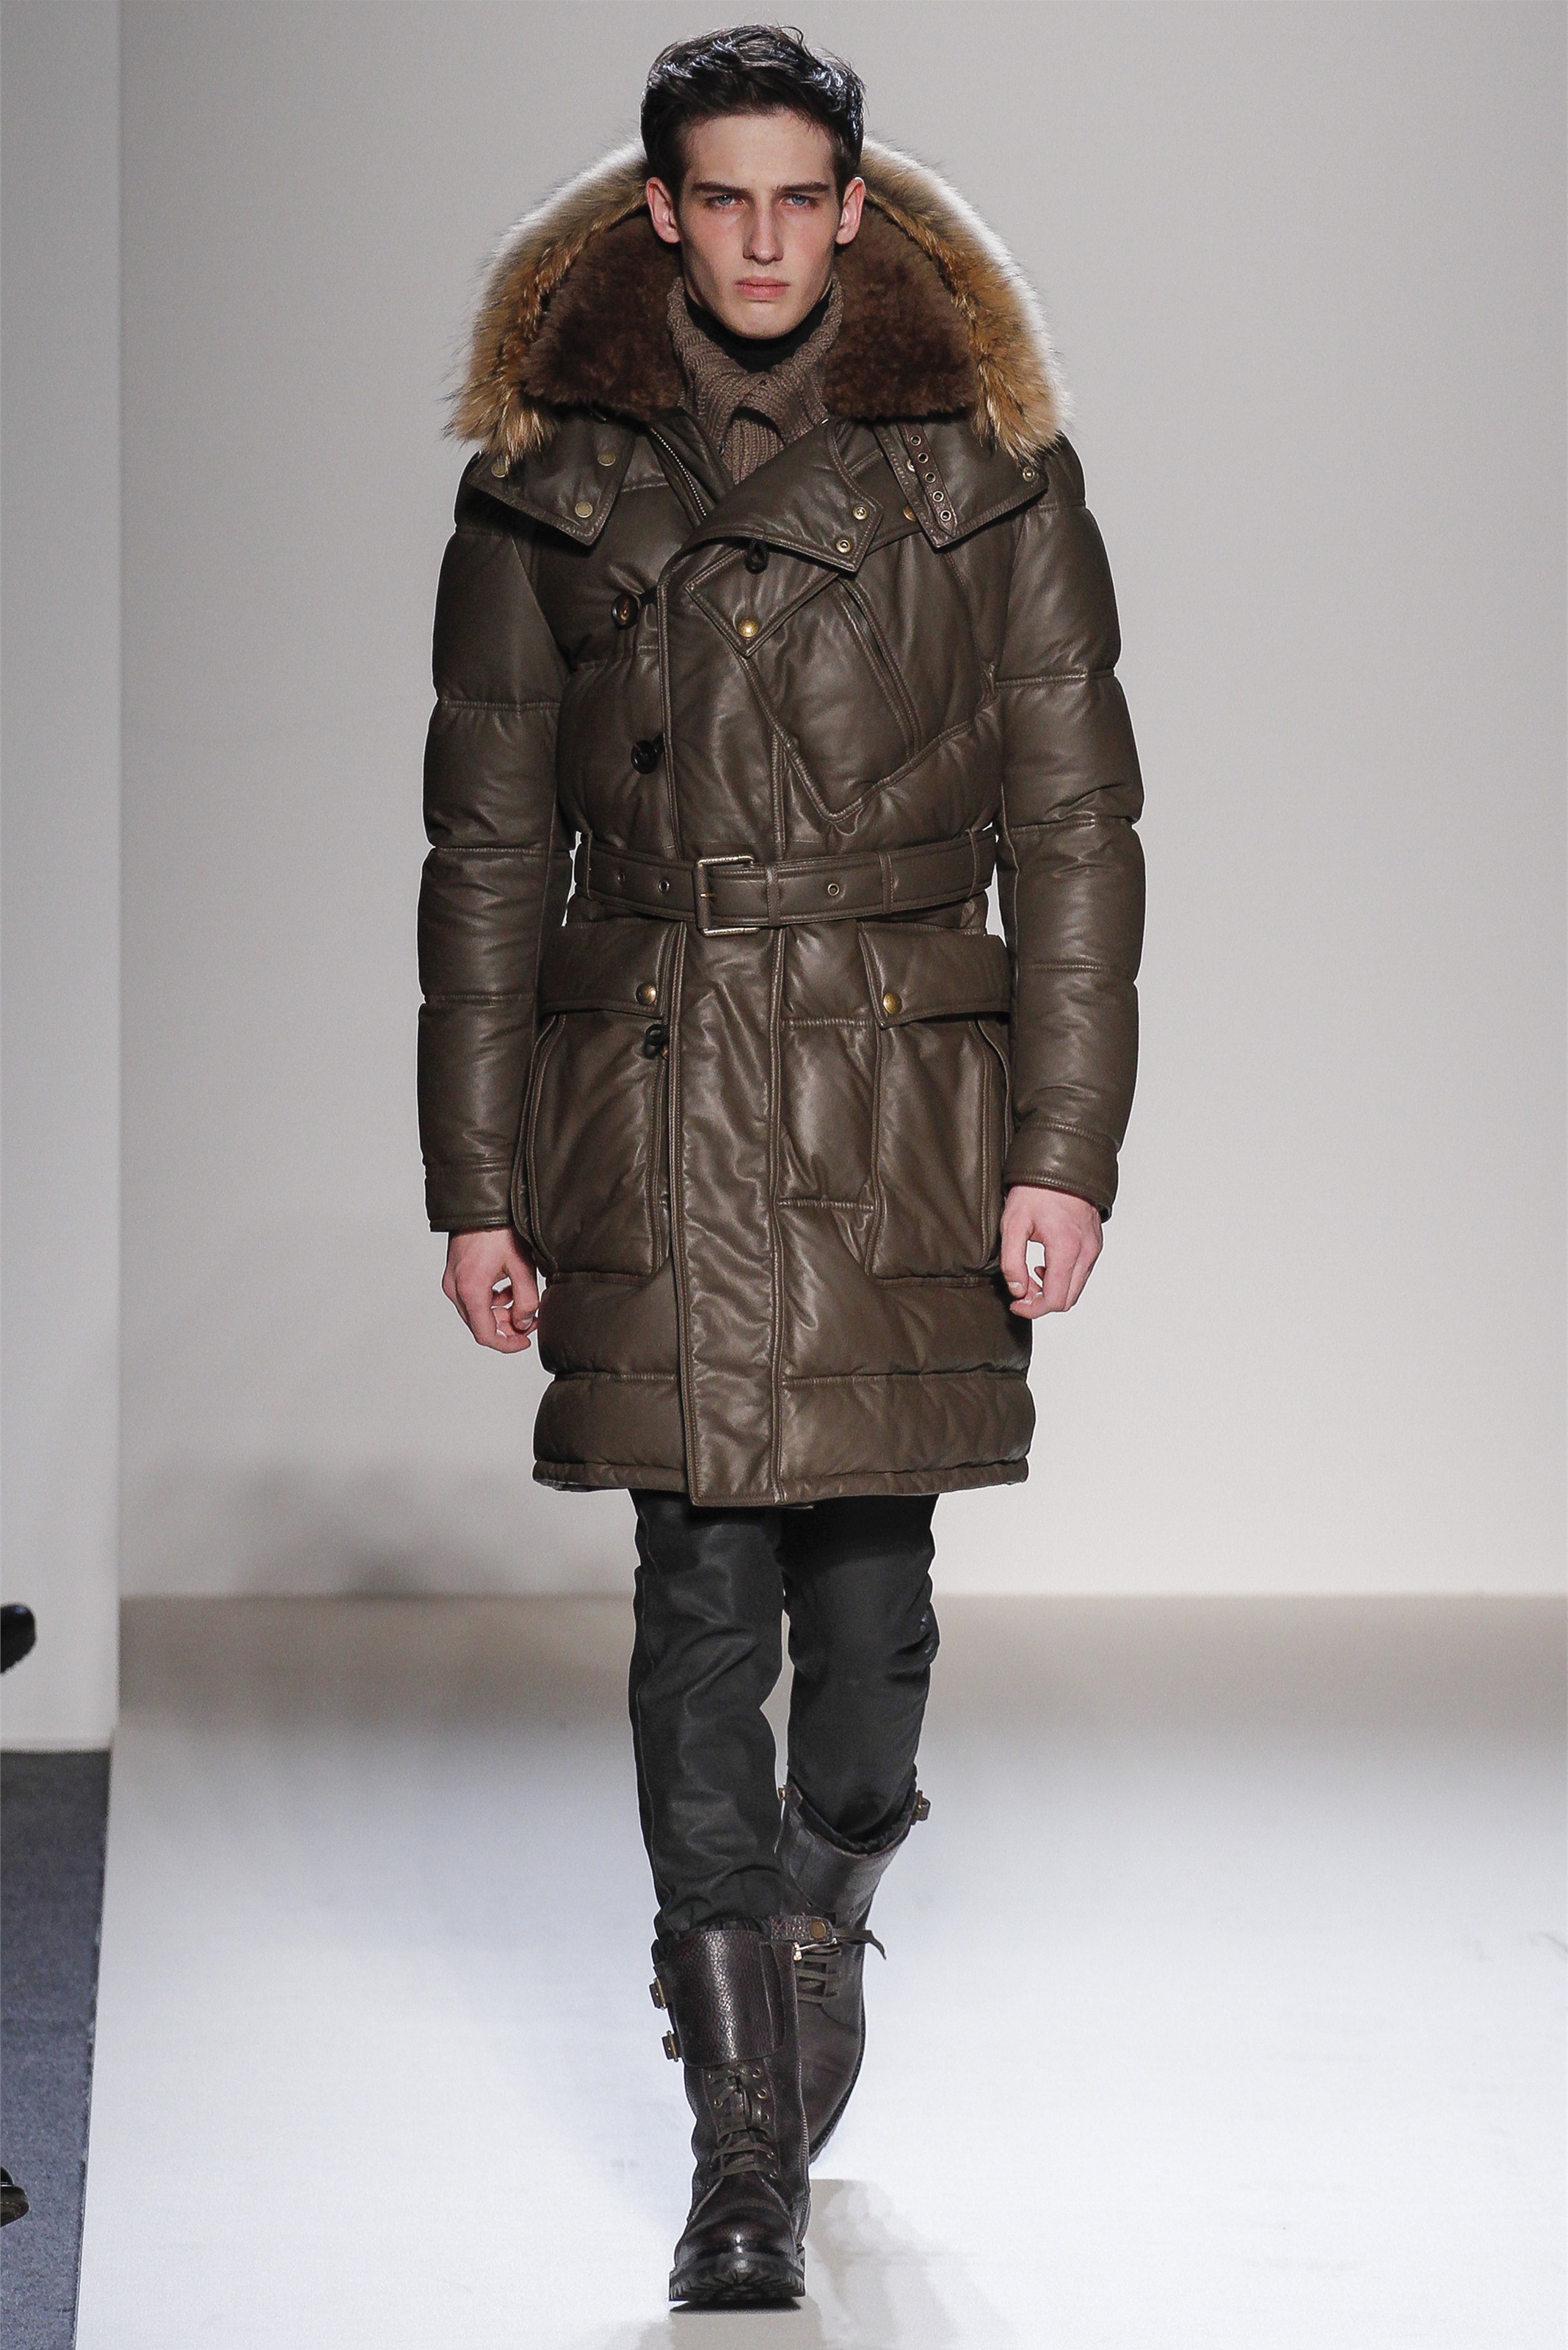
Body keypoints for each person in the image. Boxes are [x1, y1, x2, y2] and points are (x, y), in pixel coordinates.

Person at [419, 23, 1144, 2308]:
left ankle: (822, 1903)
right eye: (717, 198)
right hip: (647, 1085)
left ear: (853, 204)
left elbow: (1077, 831)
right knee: (696, 1601)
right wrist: (474, 1178)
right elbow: (484, 848)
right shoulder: (545, 480)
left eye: (794, 197)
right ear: (662, 210)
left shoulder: (987, 468)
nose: (758, 238)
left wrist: (1065, 1144)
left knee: (869, 1609)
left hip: (893, 1098)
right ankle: (739, 2148)